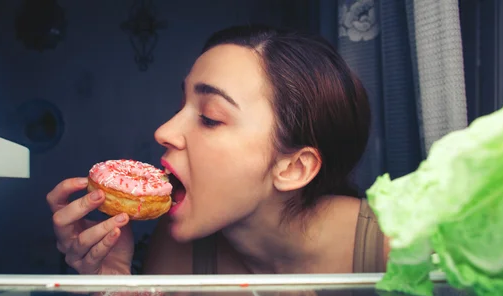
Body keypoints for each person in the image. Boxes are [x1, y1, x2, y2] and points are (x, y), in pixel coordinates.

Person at [46, 24, 390, 277]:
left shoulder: (399, 248)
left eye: (209, 118)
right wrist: (112, 280)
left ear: (293, 169)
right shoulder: (180, 241)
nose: (163, 131)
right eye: (181, 105)